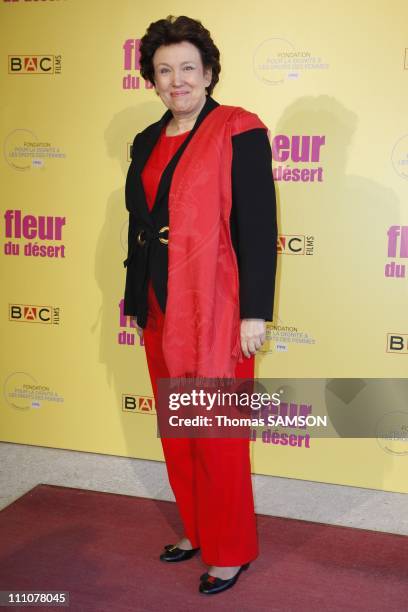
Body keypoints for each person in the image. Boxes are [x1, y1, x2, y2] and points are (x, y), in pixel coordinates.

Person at [123, 15, 278, 595]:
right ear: (153, 80)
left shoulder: (239, 129)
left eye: (188, 67)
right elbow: (140, 225)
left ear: (209, 73)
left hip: (218, 307)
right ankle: (195, 530)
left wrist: (254, 312)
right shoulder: (144, 139)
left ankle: (231, 549)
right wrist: (136, 295)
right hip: (160, 305)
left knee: (217, 433)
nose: (177, 80)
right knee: (178, 429)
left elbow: (258, 225)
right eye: (165, 70)